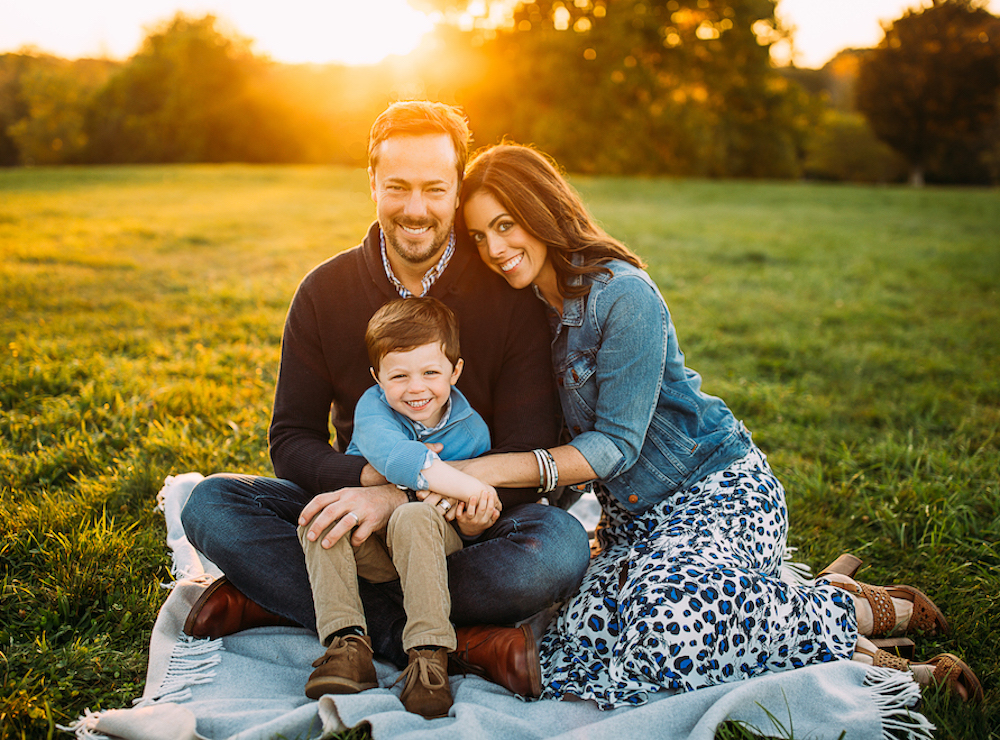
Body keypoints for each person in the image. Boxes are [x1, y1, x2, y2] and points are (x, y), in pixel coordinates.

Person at [453, 142, 982, 708]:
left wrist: (480, 472)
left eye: (505, 225)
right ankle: (814, 611)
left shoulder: (621, 294)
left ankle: (869, 634)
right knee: (578, 642)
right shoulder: (530, 311)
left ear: (542, 211)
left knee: (668, 627)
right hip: (636, 526)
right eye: (480, 236)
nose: (494, 250)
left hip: (718, 492)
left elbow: (613, 447)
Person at [179, 103, 591, 701]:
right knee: (211, 504)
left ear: (457, 191)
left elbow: (525, 450)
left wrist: (403, 495)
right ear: (372, 182)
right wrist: (369, 482)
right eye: (397, 186)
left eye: (434, 188)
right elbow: (290, 439)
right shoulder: (324, 291)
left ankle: (296, 604)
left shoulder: (507, 292)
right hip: (358, 521)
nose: (415, 208)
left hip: (469, 524)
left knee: (556, 551)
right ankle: (455, 641)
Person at [301, 297, 500, 718]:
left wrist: (473, 523)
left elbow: (466, 525)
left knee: (413, 515)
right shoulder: (373, 408)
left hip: (432, 555)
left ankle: (429, 657)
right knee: (324, 515)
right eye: (399, 375)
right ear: (377, 378)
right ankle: (347, 645)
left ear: (455, 372)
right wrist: (465, 483)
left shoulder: (472, 431)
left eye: (431, 373)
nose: (416, 388)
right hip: (370, 550)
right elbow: (396, 458)